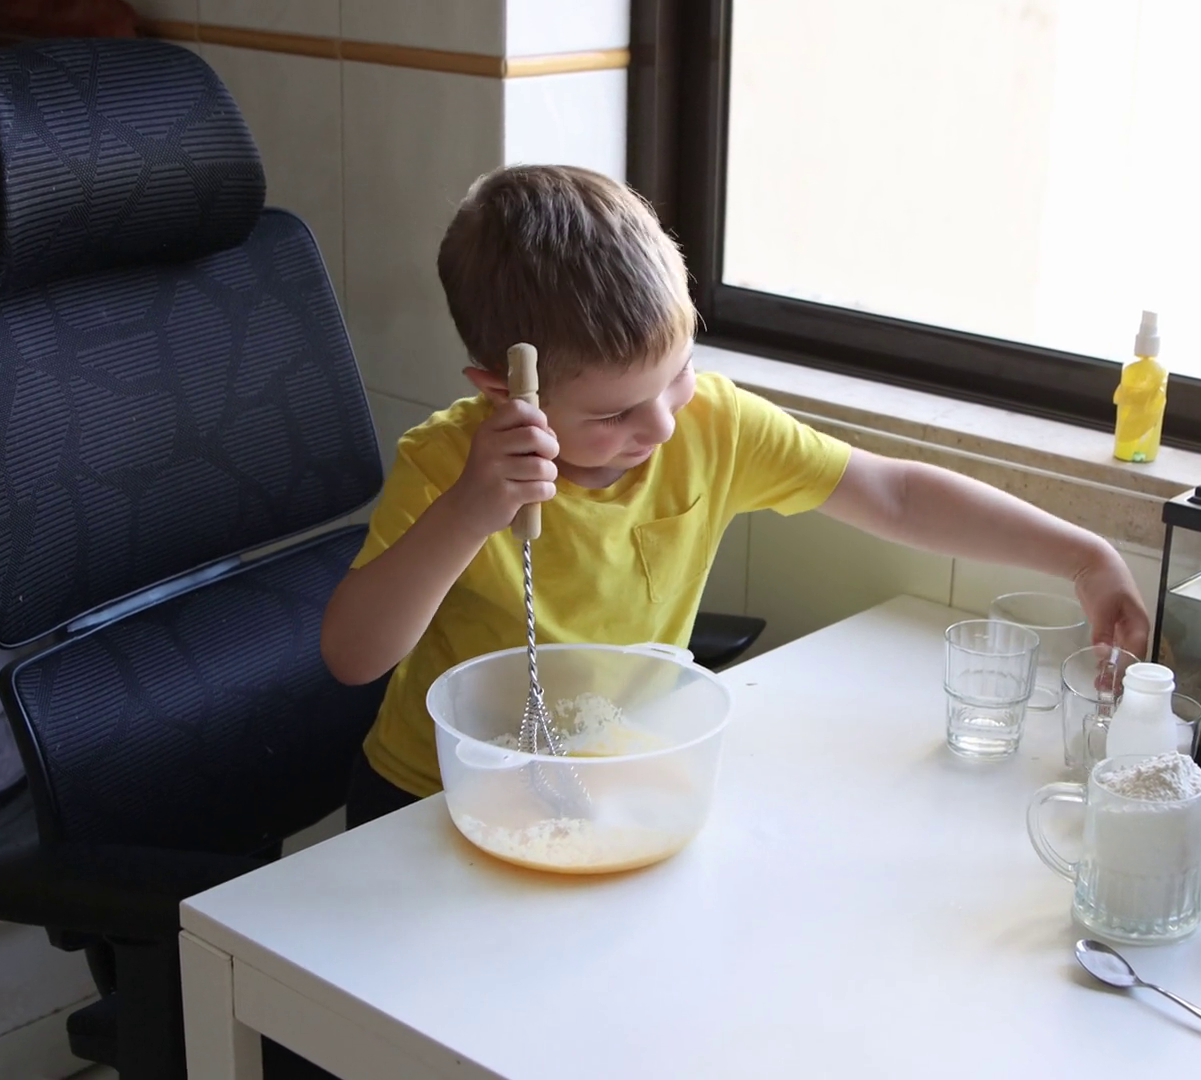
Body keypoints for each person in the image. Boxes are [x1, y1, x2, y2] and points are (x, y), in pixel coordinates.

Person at [320, 164, 1151, 827]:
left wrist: (1086, 558)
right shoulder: (449, 465)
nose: (661, 426)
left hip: (603, 783)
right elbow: (353, 656)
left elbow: (895, 495)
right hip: (433, 801)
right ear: (505, 391)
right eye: (613, 414)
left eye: (678, 374)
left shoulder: (712, 425)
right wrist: (469, 512)